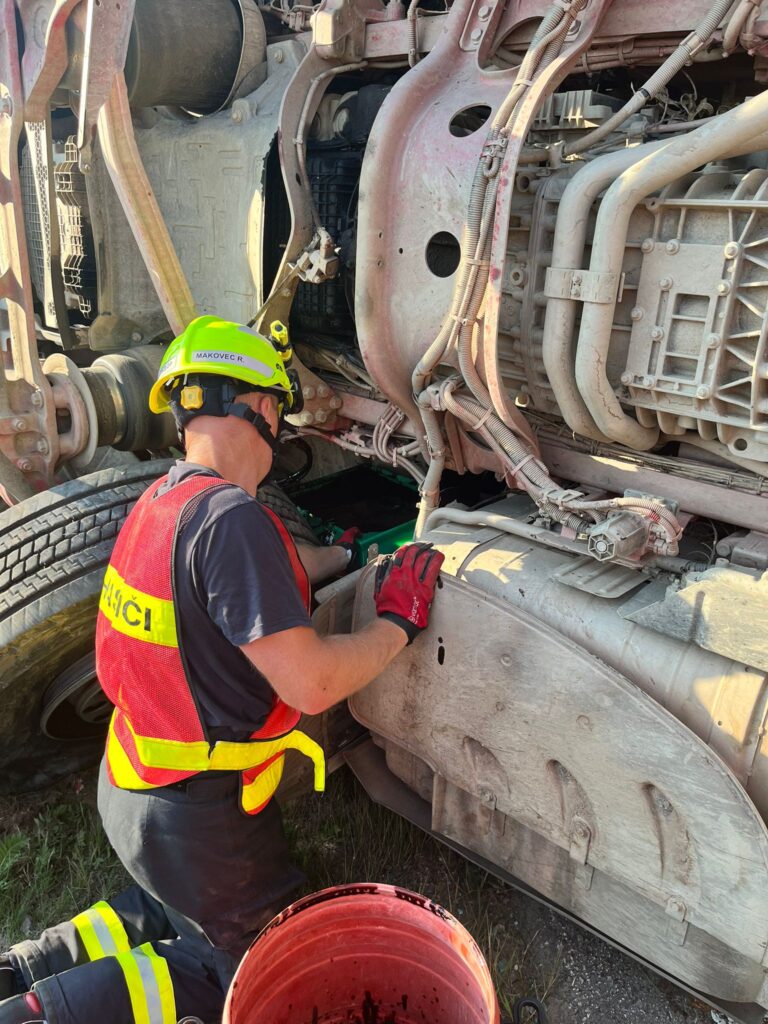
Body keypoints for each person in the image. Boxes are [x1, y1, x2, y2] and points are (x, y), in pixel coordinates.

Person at [0, 316, 444, 1024]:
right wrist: (397, 622)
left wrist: (343, 557)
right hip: (195, 815)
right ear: (263, 409)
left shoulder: (163, 502)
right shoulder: (234, 520)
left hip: (134, 782)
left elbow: (242, 577)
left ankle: (24, 964)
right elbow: (313, 684)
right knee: (252, 964)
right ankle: (36, 1011)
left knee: (166, 901)